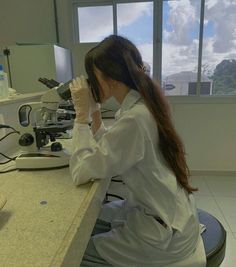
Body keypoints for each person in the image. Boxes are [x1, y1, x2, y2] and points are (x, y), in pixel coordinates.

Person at [69, 35, 206, 267]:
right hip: (172, 216)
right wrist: (94, 112)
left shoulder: (134, 119)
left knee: (75, 252)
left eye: (93, 77)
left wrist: (81, 117)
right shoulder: (141, 106)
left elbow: (81, 171)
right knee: (98, 219)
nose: (90, 83)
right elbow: (112, 147)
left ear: (110, 78)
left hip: (161, 237)